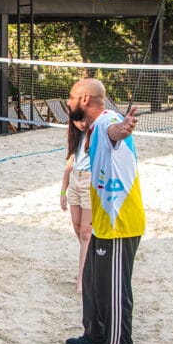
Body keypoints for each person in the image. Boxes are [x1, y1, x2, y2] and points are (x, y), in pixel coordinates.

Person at [64, 78, 145, 344]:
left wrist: (122, 130)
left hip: (120, 223)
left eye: (72, 96)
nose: (68, 101)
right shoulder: (93, 127)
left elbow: (115, 131)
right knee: (94, 282)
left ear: (85, 100)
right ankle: (96, 334)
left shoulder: (107, 121)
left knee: (115, 290)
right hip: (104, 222)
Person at [60, 119, 92, 294]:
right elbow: (69, 164)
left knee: (86, 233)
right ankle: (90, 263)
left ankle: (83, 277)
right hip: (75, 180)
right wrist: (63, 191)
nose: (81, 122)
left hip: (90, 180)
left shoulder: (96, 134)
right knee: (78, 228)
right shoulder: (76, 135)